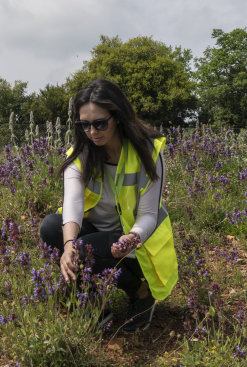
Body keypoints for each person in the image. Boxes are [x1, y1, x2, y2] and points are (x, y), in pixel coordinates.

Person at [39, 79, 178, 332]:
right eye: (85, 125)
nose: (92, 132)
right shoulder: (79, 155)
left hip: (137, 241)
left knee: (83, 249)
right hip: (97, 235)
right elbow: (72, 204)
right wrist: (68, 245)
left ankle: (141, 291)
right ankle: (93, 300)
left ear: (118, 117)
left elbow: (148, 214)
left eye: (100, 123)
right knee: (51, 228)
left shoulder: (147, 151)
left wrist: (132, 238)